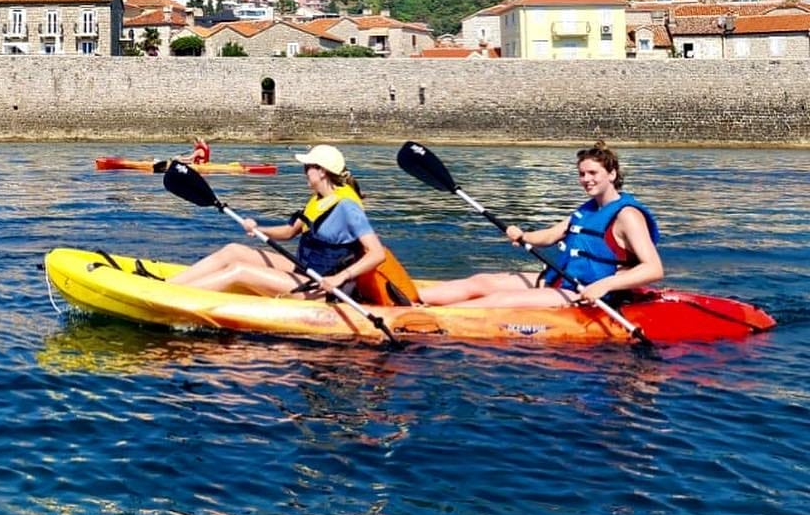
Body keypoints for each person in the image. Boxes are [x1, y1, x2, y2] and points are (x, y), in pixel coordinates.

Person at [420, 140, 662, 309]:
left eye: (592, 173)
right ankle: (404, 299)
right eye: (581, 174)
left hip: (582, 293)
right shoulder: (588, 209)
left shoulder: (627, 215)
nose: (586, 180)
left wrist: (604, 285)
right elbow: (551, 235)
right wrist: (524, 236)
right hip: (559, 279)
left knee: (500, 300)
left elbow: (653, 269)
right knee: (482, 282)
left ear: (611, 174)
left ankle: (419, 316)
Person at [169, 144, 387, 298]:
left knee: (240, 270)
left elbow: (377, 253)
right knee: (233, 251)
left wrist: (340, 278)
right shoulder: (319, 200)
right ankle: (167, 286)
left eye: (307, 167)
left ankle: (172, 297)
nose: (304, 172)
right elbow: (290, 232)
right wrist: (258, 229)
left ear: (322, 171)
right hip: (304, 268)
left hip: (321, 286)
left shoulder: (347, 207)